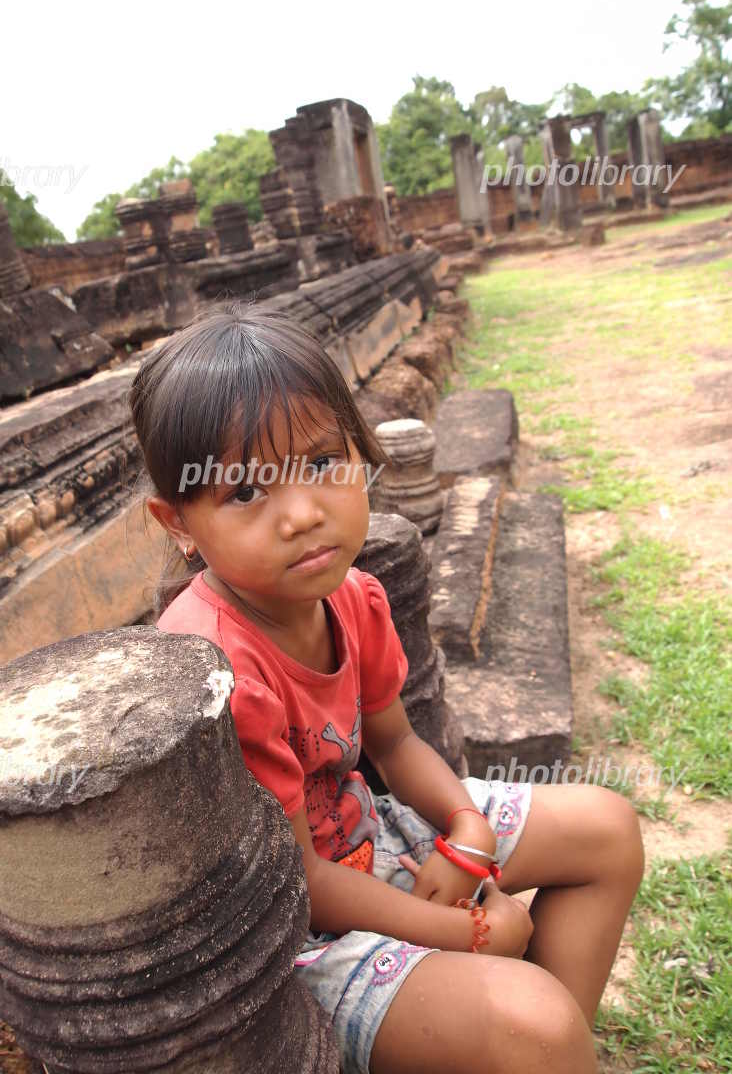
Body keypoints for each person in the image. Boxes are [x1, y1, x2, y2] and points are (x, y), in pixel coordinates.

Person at [129, 301, 644, 1074]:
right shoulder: (217, 668)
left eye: (320, 463)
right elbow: (299, 882)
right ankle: (528, 1035)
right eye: (244, 493)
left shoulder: (352, 596)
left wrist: (467, 828)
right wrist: (470, 934)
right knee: (532, 1023)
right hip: (297, 930)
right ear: (178, 523)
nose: (302, 513)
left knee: (607, 829)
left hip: (370, 839)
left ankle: (533, 1043)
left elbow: (397, 744)